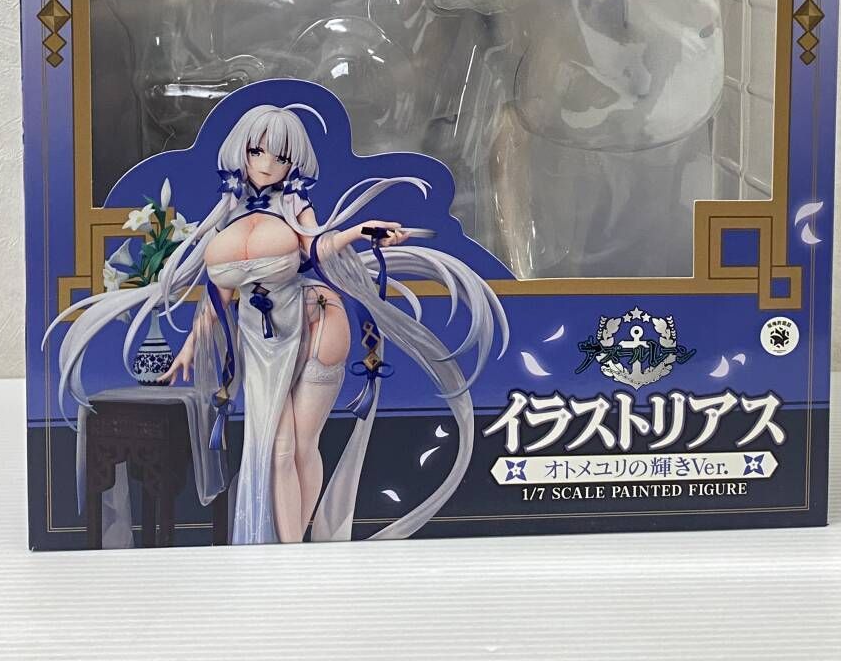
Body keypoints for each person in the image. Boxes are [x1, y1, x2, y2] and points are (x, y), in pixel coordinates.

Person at [45, 101, 507, 544]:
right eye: (257, 151)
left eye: (280, 157)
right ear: (241, 151)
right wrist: (190, 345)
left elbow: (316, 249)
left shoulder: (295, 204)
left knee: (302, 444)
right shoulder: (227, 213)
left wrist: (358, 231)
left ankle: (293, 550)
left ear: (294, 163)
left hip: (315, 321)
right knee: (279, 448)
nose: (267, 164)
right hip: (263, 339)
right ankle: (293, 548)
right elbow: (220, 294)